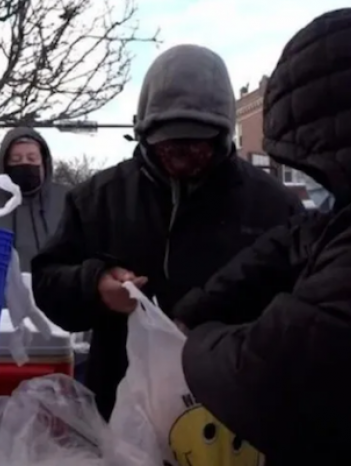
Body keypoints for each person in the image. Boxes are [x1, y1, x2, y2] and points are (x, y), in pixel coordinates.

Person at [178, 8, 351, 465]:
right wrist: (202, 301)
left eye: (309, 166)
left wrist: (192, 339)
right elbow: (296, 240)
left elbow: (270, 375)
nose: (309, 183)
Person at [31, 44, 304, 421]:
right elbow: (47, 281)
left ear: (223, 136)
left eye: (196, 143)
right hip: (123, 414)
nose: (180, 156)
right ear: (144, 133)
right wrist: (95, 285)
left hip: (235, 415)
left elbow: (302, 307)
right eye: (168, 143)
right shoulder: (99, 198)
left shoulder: (274, 206)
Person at [0, 127, 67, 272]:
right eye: (16, 160)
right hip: (1, 292)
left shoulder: (66, 200)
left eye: (32, 158)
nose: (24, 163)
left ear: (44, 163)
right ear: (4, 164)